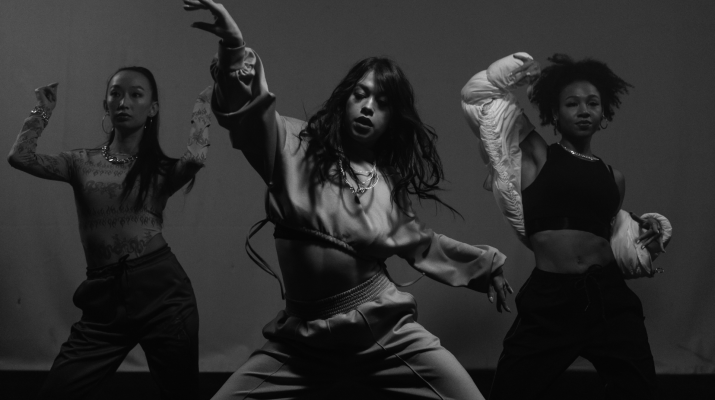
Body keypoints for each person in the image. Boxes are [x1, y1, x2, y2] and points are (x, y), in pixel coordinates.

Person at [184, 1, 510, 398]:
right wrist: (235, 49)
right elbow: (248, 115)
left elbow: (425, 245)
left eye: (382, 103)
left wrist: (484, 267)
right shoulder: (294, 145)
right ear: (346, 100)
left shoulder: (386, 187)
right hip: (303, 340)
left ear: (391, 121)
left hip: (381, 330)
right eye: (361, 94)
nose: (369, 107)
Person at [461, 53, 671, 399]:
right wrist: (513, 71)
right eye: (572, 103)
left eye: (593, 103)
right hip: (551, 301)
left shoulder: (614, 177)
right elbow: (478, 97)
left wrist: (640, 229)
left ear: (604, 114)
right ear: (554, 113)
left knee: (640, 391)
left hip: (608, 298)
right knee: (511, 391)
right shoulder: (537, 155)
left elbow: (605, 231)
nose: (584, 110)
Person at [8, 68, 212, 399]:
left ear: (152, 108)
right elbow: (20, 157)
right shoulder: (79, 162)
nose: (124, 102)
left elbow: (197, 157)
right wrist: (42, 110)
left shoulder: (160, 169)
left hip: (163, 294)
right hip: (105, 300)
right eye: (116, 93)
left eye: (136, 94)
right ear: (106, 104)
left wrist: (204, 103)